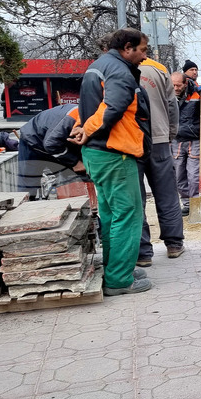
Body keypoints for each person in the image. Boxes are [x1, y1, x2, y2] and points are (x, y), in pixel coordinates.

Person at [71, 28, 152, 297]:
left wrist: (85, 128)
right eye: (142, 50)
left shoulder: (99, 66)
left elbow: (92, 107)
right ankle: (119, 280)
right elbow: (112, 107)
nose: (144, 56)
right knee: (128, 215)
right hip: (115, 153)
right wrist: (88, 128)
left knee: (110, 214)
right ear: (127, 47)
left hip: (97, 154)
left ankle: (118, 268)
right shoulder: (119, 70)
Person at [137, 55, 184, 267]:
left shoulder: (115, 68)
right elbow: (172, 105)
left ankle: (143, 253)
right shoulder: (158, 69)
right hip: (159, 139)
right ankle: (174, 244)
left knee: (135, 199)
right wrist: (170, 133)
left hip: (130, 143)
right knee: (166, 193)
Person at [16, 104, 85, 198]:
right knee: (28, 186)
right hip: (33, 142)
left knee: (70, 179)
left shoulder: (94, 119)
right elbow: (51, 144)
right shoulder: (72, 117)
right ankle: (24, 209)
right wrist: (75, 163)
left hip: (57, 144)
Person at [172, 71, 201, 216]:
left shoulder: (197, 94)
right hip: (176, 140)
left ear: (185, 83)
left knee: (195, 174)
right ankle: (187, 204)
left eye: (178, 85)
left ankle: (198, 206)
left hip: (195, 139)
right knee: (179, 175)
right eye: (173, 85)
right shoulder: (167, 94)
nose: (176, 88)